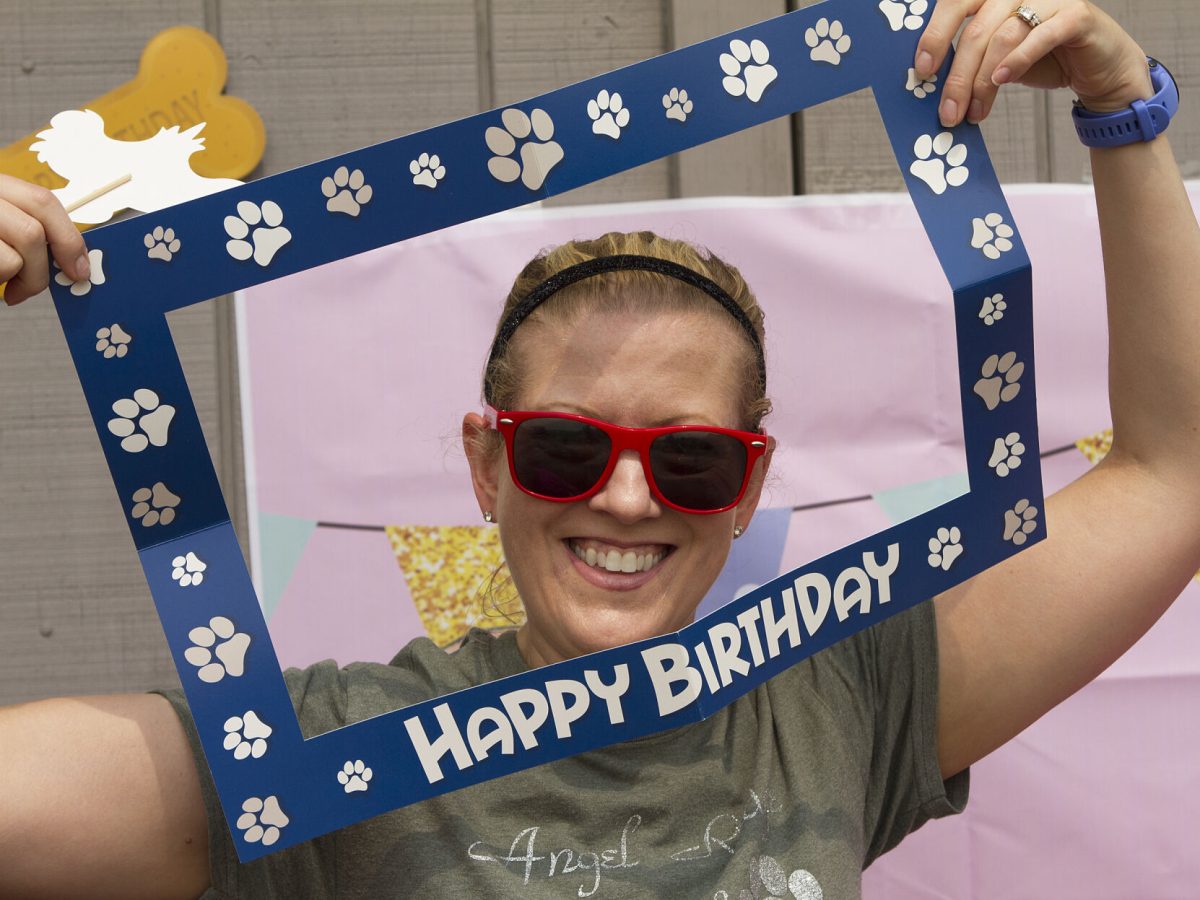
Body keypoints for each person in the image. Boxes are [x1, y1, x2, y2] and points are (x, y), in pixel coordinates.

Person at [1, 1, 1197, 897]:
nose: (627, 498)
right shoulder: (318, 754)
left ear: (750, 484)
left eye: (691, 461)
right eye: (567, 449)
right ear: (487, 465)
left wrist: (1121, 106)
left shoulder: (840, 698)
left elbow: (1174, 477)